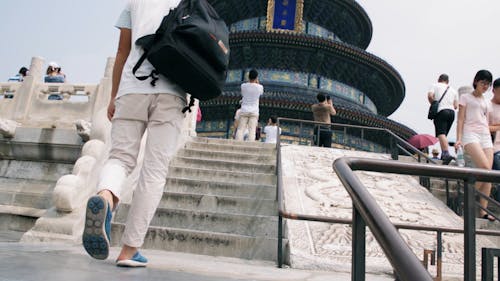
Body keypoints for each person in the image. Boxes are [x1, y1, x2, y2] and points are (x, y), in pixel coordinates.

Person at [82, 0, 187, 267]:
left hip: (132, 87)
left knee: (120, 158)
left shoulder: (135, 2)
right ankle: (129, 251)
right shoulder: (191, 3)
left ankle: (105, 196)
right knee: (154, 171)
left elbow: (122, 51)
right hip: (171, 92)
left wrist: (114, 95)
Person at [455, 70, 494, 221]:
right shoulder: (465, 97)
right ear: (476, 81)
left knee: (489, 174)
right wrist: (458, 139)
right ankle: (465, 199)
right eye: (483, 82)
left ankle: (482, 211)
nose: (485, 86)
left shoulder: (486, 101)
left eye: (488, 84)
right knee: (484, 168)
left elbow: (486, 120)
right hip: (470, 134)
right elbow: (460, 119)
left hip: (485, 135)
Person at [427, 74, 458, 164]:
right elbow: (456, 106)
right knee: (443, 135)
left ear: (439, 79)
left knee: (441, 133)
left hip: (441, 111)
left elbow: (430, 96)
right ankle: (443, 154)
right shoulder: (453, 90)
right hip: (452, 113)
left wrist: (434, 103)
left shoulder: (435, 85)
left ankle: (445, 153)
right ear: (447, 81)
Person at [235, 69, 263, 141]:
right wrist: (257, 82)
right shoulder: (260, 87)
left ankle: (238, 142)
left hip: (244, 109)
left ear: (248, 77)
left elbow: (243, 94)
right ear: (257, 77)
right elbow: (261, 93)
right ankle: (250, 144)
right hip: (254, 111)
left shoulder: (243, 86)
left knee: (241, 129)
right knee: (252, 130)